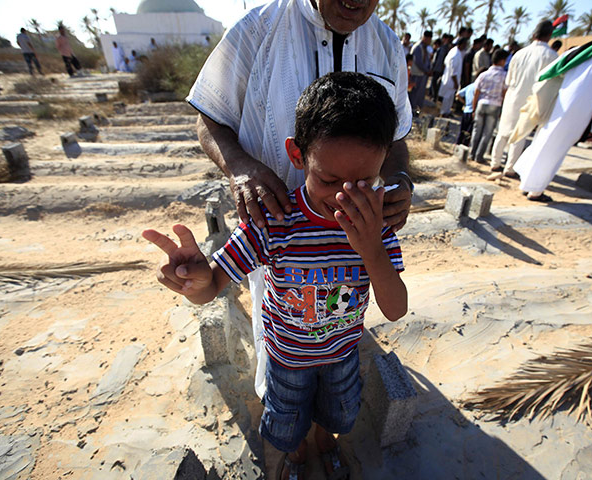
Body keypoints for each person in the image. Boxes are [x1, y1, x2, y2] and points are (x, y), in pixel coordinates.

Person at [144, 72, 406, 480]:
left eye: (362, 182)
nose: (343, 196)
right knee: (286, 424)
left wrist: (372, 248)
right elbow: (213, 284)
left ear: (382, 163)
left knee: (336, 411)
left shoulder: (377, 226)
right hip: (287, 359)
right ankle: (296, 451)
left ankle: (324, 440)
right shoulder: (275, 221)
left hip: (341, 355)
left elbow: (394, 309)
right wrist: (196, 283)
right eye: (328, 179)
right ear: (297, 155)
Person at [185, 0, 413, 404]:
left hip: (350, 240)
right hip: (274, 222)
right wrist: (239, 166)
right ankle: (286, 422)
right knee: (275, 319)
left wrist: (398, 178)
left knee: (337, 332)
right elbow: (209, 114)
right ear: (297, 154)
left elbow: (395, 137)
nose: (355, 1)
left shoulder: (388, 45)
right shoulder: (258, 29)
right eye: (329, 178)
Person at [513, 13, 592, 202]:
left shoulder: (581, 50)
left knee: (542, 141)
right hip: (577, 111)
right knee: (555, 151)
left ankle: (526, 183)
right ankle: (535, 190)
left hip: (557, 103)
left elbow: (548, 72)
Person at [488, 21, 557, 179]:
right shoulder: (551, 56)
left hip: (512, 96)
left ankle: (495, 163)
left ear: (533, 35)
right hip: (532, 99)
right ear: (549, 36)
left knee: (503, 132)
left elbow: (508, 80)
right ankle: (510, 168)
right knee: (520, 134)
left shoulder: (518, 54)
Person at [469, 49, 508, 164]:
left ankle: (472, 153)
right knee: (487, 132)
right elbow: (504, 93)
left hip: (481, 103)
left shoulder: (483, 74)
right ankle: (479, 156)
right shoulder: (504, 75)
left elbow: (476, 92)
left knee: (477, 130)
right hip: (494, 105)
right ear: (502, 61)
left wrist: (474, 107)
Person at [455, 67, 486, 145]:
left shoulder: (470, 86)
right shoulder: (480, 88)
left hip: (466, 110)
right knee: (469, 133)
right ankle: (464, 148)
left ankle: (457, 145)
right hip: (474, 111)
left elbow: (458, 94)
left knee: (462, 130)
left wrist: (464, 102)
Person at [438, 37, 469, 116]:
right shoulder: (455, 54)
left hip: (451, 79)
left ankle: (447, 111)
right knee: (447, 97)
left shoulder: (456, 51)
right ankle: (443, 112)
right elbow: (453, 70)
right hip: (451, 80)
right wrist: (455, 82)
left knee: (450, 97)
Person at [408, 30, 432, 115]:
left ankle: (415, 112)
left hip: (422, 75)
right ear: (425, 38)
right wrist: (427, 70)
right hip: (416, 75)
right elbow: (418, 62)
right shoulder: (418, 47)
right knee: (414, 96)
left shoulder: (425, 48)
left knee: (419, 96)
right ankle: (411, 113)